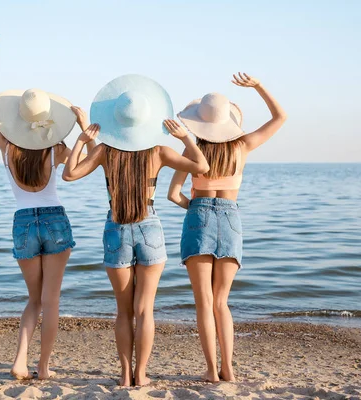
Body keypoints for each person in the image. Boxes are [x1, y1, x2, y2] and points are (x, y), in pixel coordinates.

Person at [62, 74, 209, 386]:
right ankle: (141, 375)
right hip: (149, 228)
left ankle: (125, 374)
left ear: (116, 121)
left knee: (123, 311)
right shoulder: (158, 152)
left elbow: (69, 174)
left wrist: (80, 140)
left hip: (116, 227)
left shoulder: (104, 151)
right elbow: (202, 167)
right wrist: (185, 138)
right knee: (144, 311)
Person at [0, 31, 94, 380]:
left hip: (23, 222)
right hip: (55, 221)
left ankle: (19, 360)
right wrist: (84, 128)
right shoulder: (54, 148)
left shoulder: (7, 149)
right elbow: (82, 164)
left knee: (33, 299)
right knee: (51, 301)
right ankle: (43, 368)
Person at [167, 73, 287, 382]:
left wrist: (194, 209)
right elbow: (280, 117)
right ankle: (229, 370)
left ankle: (210, 370)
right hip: (231, 218)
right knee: (222, 302)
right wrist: (258, 86)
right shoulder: (243, 146)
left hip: (198, 216)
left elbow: (173, 194)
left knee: (204, 302)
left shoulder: (191, 151)